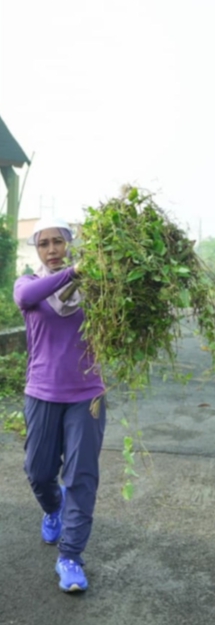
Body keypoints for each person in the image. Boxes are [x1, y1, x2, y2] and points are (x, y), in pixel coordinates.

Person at [14, 218, 107, 592]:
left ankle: (70, 557)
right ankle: (53, 508)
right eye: (44, 244)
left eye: (59, 242)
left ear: (70, 244)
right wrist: (74, 273)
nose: (52, 249)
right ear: (36, 251)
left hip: (88, 395)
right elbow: (23, 300)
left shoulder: (96, 288)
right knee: (38, 471)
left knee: (82, 477)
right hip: (41, 392)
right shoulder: (30, 284)